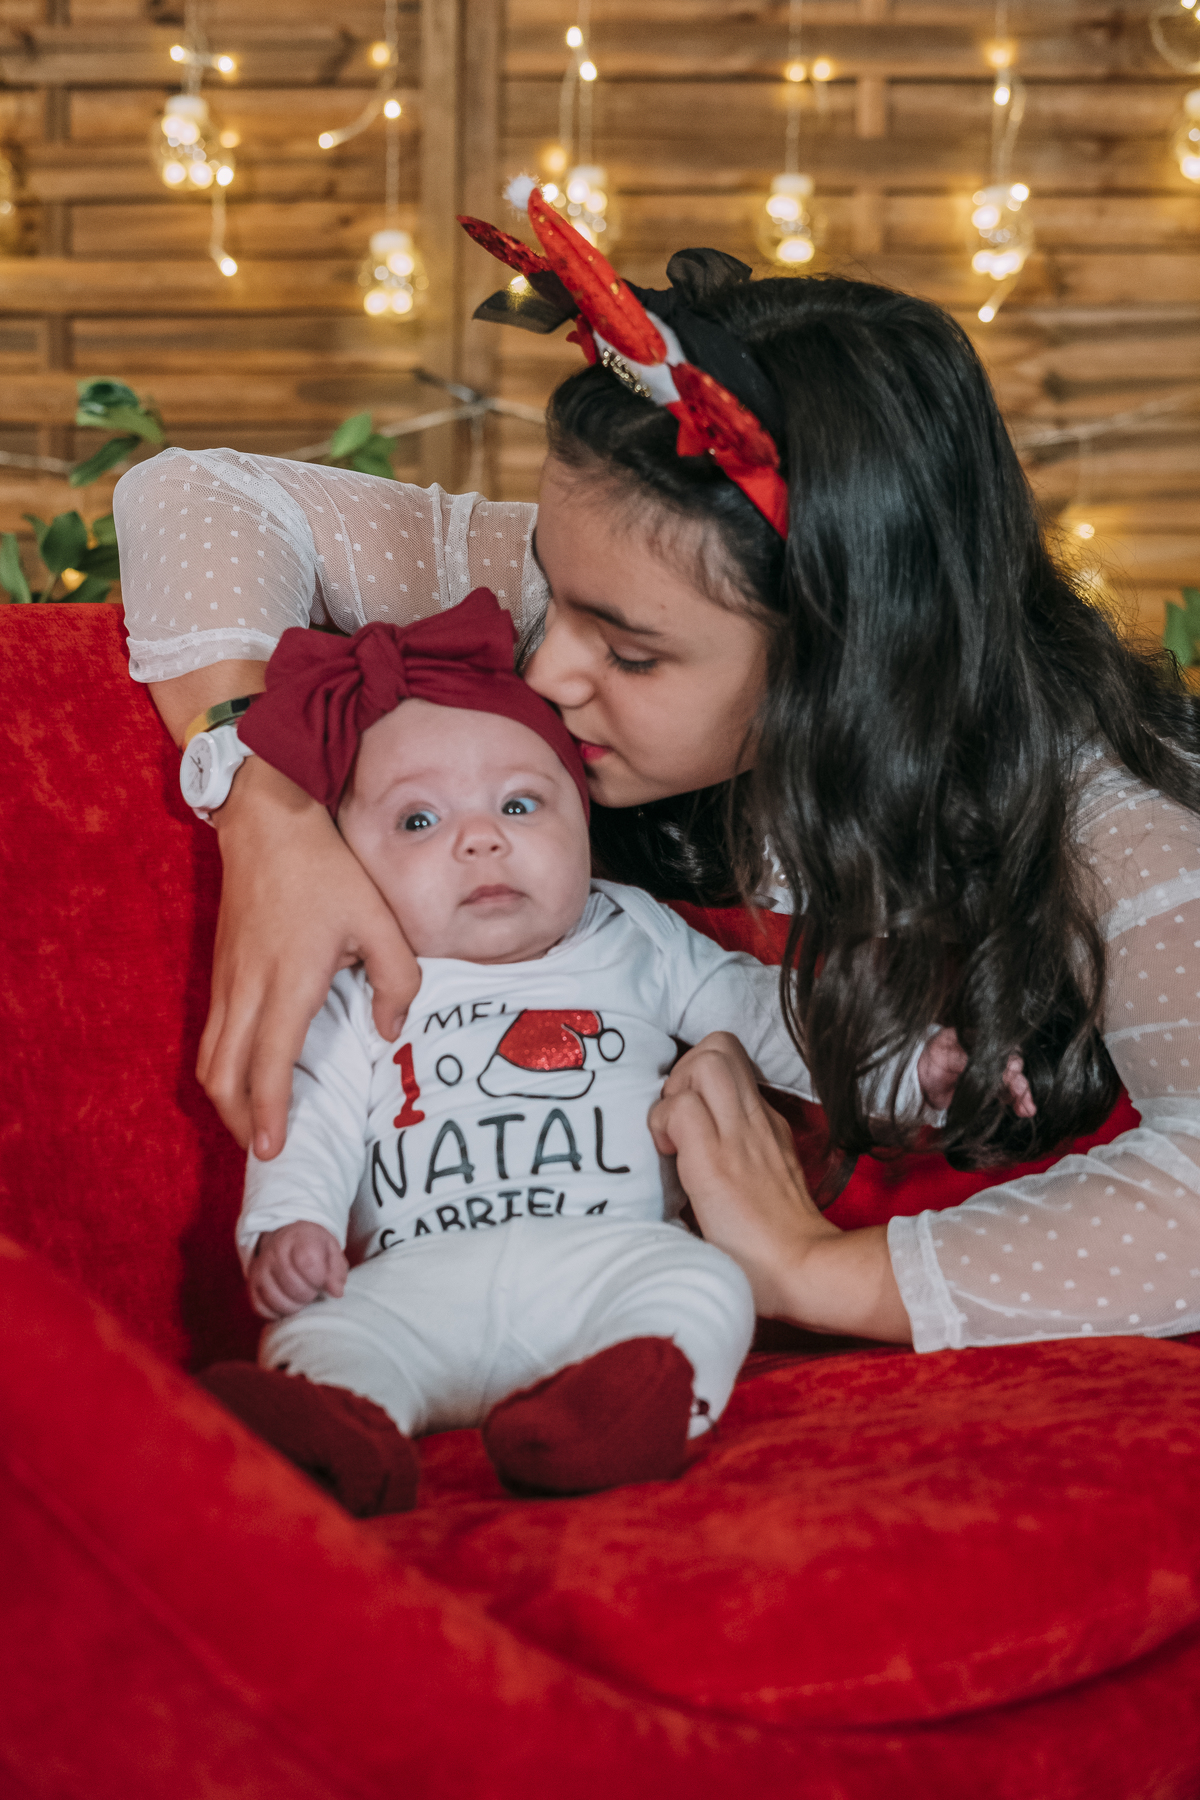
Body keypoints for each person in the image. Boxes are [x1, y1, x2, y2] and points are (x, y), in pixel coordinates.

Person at [115, 193, 1200, 1361]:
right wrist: (269, 816)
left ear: (843, 660)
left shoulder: (1111, 812)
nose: (547, 670)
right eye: (553, 589)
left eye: (631, 655)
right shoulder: (620, 577)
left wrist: (805, 1268)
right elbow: (192, 495)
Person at [197, 590, 958, 1513]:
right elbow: (307, 1114)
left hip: (610, 1267)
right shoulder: (362, 977)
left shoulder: (630, 933)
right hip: (414, 1282)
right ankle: (342, 1428)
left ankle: (605, 1421)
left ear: (581, 827)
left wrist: (898, 1067)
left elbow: (762, 1014)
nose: (482, 838)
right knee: (317, 1335)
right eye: (418, 822)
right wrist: (289, 1227)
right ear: (348, 863)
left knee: (706, 1285)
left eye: (520, 803)